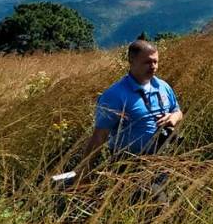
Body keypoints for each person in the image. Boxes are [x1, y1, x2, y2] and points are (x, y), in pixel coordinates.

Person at [77, 39, 182, 180]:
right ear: (131, 60)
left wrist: (174, 117)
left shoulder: (163, 86)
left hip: (164, 160)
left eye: (156, 62)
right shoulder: (115, 95)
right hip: (128, 166)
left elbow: (178, 111)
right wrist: (83, 174)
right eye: (147, 62)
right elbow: (99, 137)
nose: (153, 67)